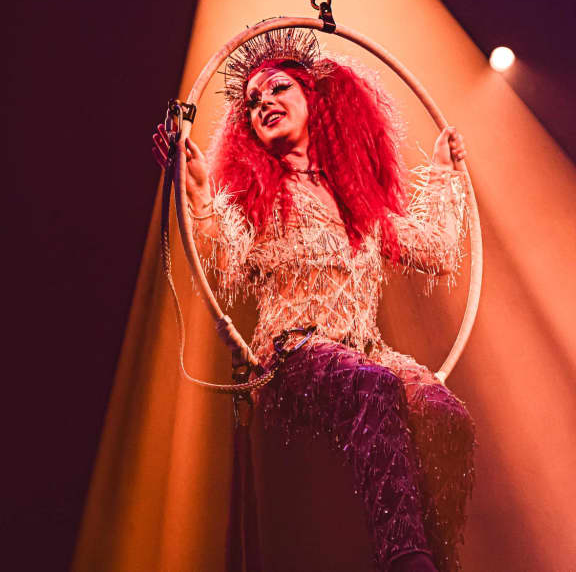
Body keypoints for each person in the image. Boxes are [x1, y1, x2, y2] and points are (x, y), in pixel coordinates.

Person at [152, 28, 476, 572]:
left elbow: (440, 250)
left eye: (277, 89)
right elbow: (228, 258)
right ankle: (408, 563)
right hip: (292, 358)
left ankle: (433, 558)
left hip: (367, 353)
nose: (263, 104)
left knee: (445, 414)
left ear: (314, 100)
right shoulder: (262, 201)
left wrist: (445, 171)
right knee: (373, 384)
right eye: (252, 102)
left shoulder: (361, 208)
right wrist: (200, 193)